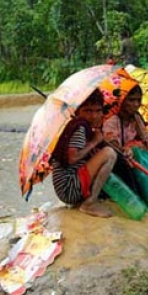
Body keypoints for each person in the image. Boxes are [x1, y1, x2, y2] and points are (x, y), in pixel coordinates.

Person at [50, 89, 117, 218]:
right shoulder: (79, 128)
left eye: (98, 111)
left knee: (103, 152)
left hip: (71, 186)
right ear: (78, 111)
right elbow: (72, 158)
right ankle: (89, 203)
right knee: (109, 153)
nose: (94, 116)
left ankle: (90, 198)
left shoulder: (83, 127)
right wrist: (95, 142)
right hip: (68, 188)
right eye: (88, 111)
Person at [103, 84, 148, 201]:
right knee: (120, 158)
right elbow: (113, 144)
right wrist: (128, 149)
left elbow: (147, 142)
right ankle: (136, 197)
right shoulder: (112, 120)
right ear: (122, 100)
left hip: (136, 157)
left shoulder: (136, 118)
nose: (136, 104)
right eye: (131, 100)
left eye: (138, 100)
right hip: (123, 161)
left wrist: (143, 138)